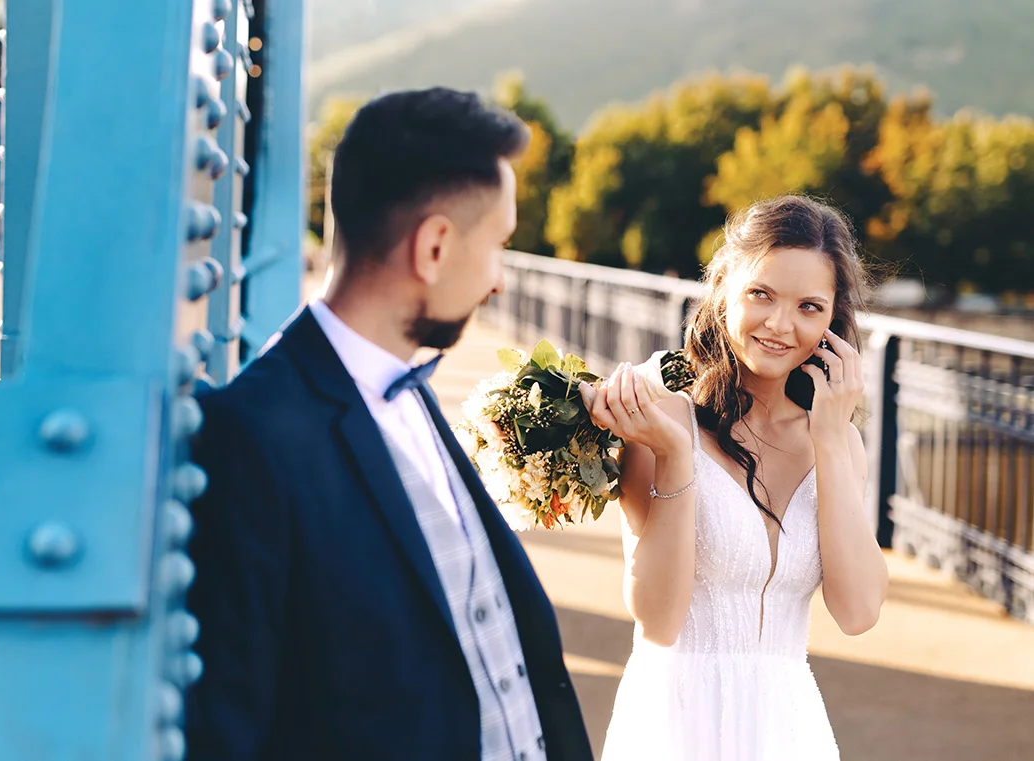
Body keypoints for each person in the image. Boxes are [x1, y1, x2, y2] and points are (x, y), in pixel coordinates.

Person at [184, 87, 594, 761]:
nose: (498, 280)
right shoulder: (251, 437)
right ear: (434, 247)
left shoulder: (411, 385)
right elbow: (234, 726)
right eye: (499, 244)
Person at [581, 195, 889, 761]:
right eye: (760, 294)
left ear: (833, 321)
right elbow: (658, 621)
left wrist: (829, 439)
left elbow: (858, 612)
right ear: (723, 286)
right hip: (676, 722)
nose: (780, 325)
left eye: (809, 306)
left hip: (788, 728)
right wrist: (676, 455)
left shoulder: (840, 441)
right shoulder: (661, 414)